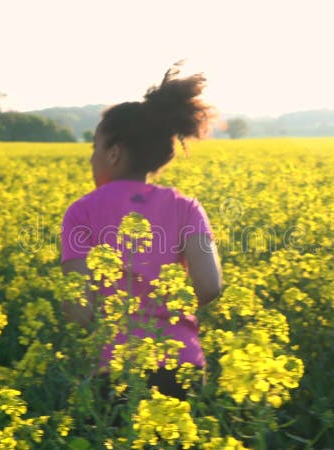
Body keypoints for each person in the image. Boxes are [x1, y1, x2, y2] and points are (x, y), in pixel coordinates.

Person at [60, 63, 223, 400]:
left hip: (115, 368)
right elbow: (209, 285)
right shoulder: (186, 207)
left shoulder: (82, 211)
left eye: (94, 148)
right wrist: (164, 312)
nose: (91, 159)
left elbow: (79, 311)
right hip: (183, 364)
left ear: (114, 153)